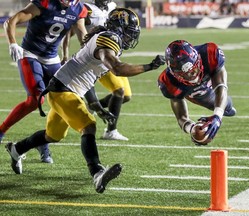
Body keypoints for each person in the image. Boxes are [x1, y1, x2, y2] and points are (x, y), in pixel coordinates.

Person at [5, 8, 165, 193]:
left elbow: (88, 75)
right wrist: (149, 66)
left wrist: (96, 104)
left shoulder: (107, 39)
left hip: (67, 89)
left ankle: (17, 148)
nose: (130, 36)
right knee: (88, 125)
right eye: (129, 31)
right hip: (62, 90)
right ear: (119, 28)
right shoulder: (107, 40)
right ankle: (97, 173)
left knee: (53, 135)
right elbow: (118, 69)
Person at [1, 0, 88, 163]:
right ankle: (1, 130)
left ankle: (42, 142)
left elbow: (80, 33)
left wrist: (85, 52)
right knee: (36, 99)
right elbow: (10, 21)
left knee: (64, 98)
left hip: (51, 58)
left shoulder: (79, 9)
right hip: (30, 53)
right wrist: (12, 44)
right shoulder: (45, 3)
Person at [62, 0, 131, 141]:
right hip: (97, 57)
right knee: (119, 91)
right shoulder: (87, 9)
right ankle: (111, 131)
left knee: (126, 96)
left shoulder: (112, 6)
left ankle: (90, 106)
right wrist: (65, 54)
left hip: (112, 54)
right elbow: (69, 32)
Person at [158, 40, 236, 145]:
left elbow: (221, 86)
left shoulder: (209, 53)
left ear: (198, 59)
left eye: (193, 70)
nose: (191, 76)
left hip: (209, 78)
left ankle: (227, 109)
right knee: (216, 103)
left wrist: (217, 117)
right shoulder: (168, 81)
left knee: (227, 106)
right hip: (196, 92)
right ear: (173, 72)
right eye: (185, 74)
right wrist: (192, 129)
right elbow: (181, 118)